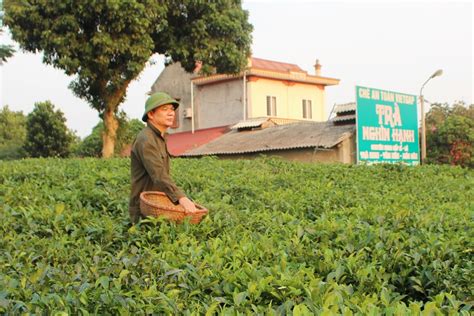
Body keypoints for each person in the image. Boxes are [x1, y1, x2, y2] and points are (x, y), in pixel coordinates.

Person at [129, 92, 196, 223]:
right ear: (151, 114)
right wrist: (181, 198)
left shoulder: (160, 138)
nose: (171, 113)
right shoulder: (146, 139)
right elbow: (159, 175)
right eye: (164, 109)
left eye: (172, 109)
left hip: (158, 206)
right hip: (144, 211)